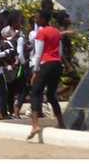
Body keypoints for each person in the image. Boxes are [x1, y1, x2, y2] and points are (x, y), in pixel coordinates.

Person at [26, 10, 65, 139]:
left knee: (35, 92)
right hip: (57, 64)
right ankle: (61, 122)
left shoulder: (41, 33)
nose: (35, 20)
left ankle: (35, 125)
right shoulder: (56, 32)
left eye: (37, 18)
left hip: (46, 64)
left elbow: (38, 53)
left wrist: (35, 71)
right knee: (51, 95)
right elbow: (60, 52)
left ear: (43, 19)